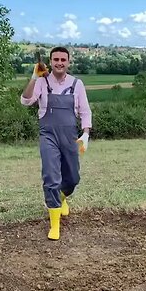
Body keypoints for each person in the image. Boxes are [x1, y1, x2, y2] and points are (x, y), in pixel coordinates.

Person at [20, 46, 92, 241]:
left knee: (73, 178)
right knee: (51, 176)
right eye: (56, 59)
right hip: (48, 135)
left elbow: (85, 111)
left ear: (68, 62)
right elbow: (26, 100)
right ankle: (54, 225)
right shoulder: (42, 82)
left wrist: (85, 134)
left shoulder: (77, 84)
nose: (59, 63)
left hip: (69, 136)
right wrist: (34, 77)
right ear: (50, 62)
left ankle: (62, 196)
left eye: (63, 59)